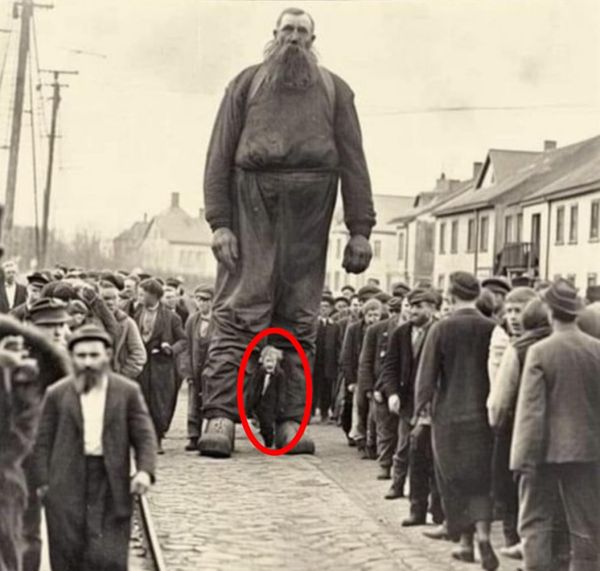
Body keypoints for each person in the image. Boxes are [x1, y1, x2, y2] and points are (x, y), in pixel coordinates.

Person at [200, 6, 375, 458]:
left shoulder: (336, 91)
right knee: (240, 310)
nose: (294, 39)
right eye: (287, 31)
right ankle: (220, 416)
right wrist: (220, 223)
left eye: (303, 32)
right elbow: (219, 154)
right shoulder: (245, 84)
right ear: (274, 36)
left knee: (298, 316)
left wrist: (360, 228)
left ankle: (287, 421)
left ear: (313, 40)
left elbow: (355, 160)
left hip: (311, 210)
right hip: (250, 204)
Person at [33, 325, 157, 571]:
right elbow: (42, 441)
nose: (88, 362)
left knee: (107, 556)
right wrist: (43, 482)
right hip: (66, 482)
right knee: (68, 554)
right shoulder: (57, 394)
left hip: (110, 482)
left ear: (108, 355)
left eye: (94, 355)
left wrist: (144, 471)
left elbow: (144, 436)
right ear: (72, 358)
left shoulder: (126, 392)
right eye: (81, 356)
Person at [511, 279, 600, 571]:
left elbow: (530, 410)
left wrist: (521, 458)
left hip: (543, 451)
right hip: (587, 450)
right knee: (586, 524)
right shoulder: (596, 349)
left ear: (548, 310)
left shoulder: (540, 351)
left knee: (535, 520)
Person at [415, 271, 499, 570]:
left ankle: (464, 541)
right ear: (477, 294)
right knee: (480, 480)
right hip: (483, 417)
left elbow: (426, 375)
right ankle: (481, 539)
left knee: (453, 479)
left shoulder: (441, 328)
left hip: (448, 417)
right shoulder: (492, 327)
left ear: (450, 295)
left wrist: (420, 408)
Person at [485, 286, 538, 558]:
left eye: (520, 310)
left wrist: (497, 423)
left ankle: (517, 547)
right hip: (534, 436)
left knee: (509, 493)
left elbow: (497, 404)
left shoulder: (518, 349)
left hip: (512, 432)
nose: (514, 317)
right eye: (510, 311)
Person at [378, 289, 437, 507]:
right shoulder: (401, 333)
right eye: (412, 306)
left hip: (430, 401)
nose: (414, 310)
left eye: (420, 306)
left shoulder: (437, 331)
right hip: (406, 399)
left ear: (432, 308)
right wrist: (391, 393)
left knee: (428, 449)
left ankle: (429, 494)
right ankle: (397, 483)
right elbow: (389, 367)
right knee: (403, 444)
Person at [134, 278, 186, 453]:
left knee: (160, 403)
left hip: (161, 367)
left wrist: (170, 349)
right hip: (141, 365)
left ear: (154, 295)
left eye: (143, 294)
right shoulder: (135, 311)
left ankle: (157, 439)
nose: (139, 296)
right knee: (140, 401)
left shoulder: (171, 317)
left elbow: (183, 340)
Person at [360, 295, 403, 480]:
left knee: (403, 429)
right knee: (384, 427)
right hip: (380, 386)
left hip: (404, 386)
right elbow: (366, 360)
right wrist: (369, 388)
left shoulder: (413, 330)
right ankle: (385, 464)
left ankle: (400, 467)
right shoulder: (377, 330)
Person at [341, 297, 382, 455]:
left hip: (375, 375)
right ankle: (360, 439)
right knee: (360, 408)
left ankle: (372, 441)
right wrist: (350, 380)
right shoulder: (354, 330)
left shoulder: (381, 329)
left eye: (376, 315)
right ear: (364, 315)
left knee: (374, 410)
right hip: (359, 375)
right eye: (370, 315)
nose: (373, 319)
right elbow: (347, 355)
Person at [180, 285, 214, 451]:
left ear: (212, 302)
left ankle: (212, 433)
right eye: (198, 299)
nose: (201, 303)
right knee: (193, 402)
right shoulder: (192, 320)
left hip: (213, 369)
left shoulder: (220, 322)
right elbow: (186, 345)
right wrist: (187, 369)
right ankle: (193, 435)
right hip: (195, 367)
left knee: (212, 400)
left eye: (205, 300)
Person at [100, 283, 147, 379]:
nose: (110, 302)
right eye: (106, 298)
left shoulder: (127, 323)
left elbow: (139, 355)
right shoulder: (92, 321)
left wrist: (122, 376)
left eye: (114, 298)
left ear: (119, 300)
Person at [244, 345, 286, 448]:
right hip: (260, 402)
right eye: (267, 361)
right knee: (262, 424)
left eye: (272, 361)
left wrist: (280, 405)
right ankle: (265, 433)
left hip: (271, 404)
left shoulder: (280, 374)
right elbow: (255, 387)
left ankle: (269, 441)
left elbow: (281, 391)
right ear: (262, 362)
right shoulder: (259, 373)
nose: (270, 364)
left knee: (267, 425)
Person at [313, 294, 340, 422]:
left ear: (330, 309)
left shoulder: (335, 326)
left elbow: (337, 345)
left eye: (326, 307)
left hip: (328, 362)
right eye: (321, 306)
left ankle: (324, 413)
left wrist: (337, 361)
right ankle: (309, 413)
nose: (324, 309)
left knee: (326, 388)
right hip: (315, 361)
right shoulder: (313, 324)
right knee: (312, 386)